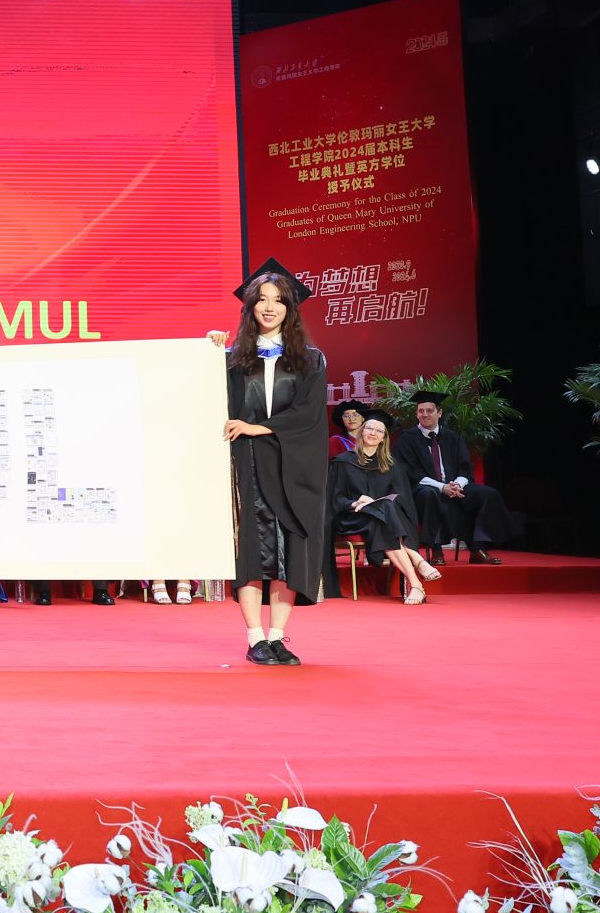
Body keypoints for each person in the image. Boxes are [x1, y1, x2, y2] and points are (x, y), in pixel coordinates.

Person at [212, 258, 332, 666]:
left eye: (278, 300)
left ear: (289, 308)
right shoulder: (231, 360)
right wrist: (208, 351)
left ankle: (278, 637)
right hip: (245, 465)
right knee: (251, 550)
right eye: (261, 299)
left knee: (288, 550)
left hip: (291, 464)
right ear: (249, 307)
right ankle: (255, 637)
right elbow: (206, 398)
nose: (269, 307)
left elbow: (309, 415)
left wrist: (258, 427)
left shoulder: (310, 360)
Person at [328, 410, 442, 604]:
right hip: (353, 518)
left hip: (380, 521)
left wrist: (375, 503)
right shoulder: (343, 462)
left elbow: (402, 499)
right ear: (362, 432)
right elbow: (334, 497)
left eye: (379, 431)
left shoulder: (392, 466)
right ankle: (417, 562)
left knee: (384, 513)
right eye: (369, 428)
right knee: (384, 515)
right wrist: (355, 502)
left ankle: (416, 584)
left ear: (383, 438)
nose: (373, 433)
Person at [391, 390, 511, 565]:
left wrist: (457, 485)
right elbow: (410, 473)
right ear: (416, 414)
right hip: (423, 489)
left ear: (439, 413)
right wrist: (442, 487)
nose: (424, 414)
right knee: (429, 494)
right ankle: (436, 550)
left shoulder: (453, 437)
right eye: (421, 411)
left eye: (429, 410)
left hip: (454, 487)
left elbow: (465, 468)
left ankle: (478, 548)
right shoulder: (406, 439)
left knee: (487, 494)